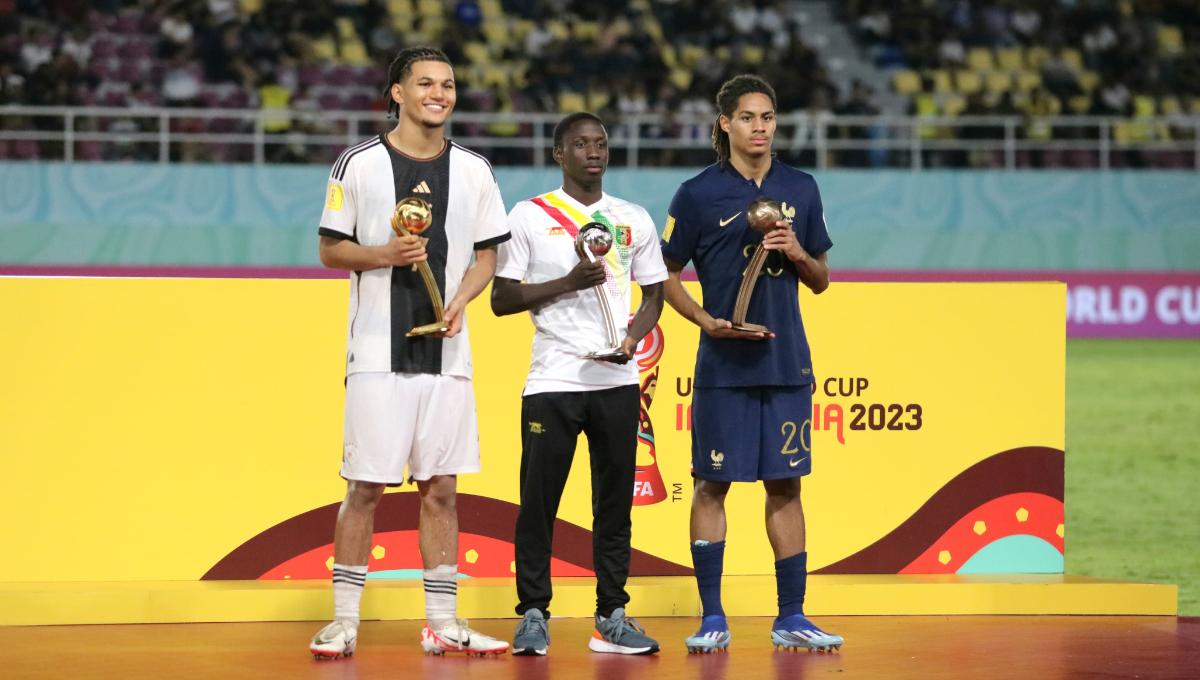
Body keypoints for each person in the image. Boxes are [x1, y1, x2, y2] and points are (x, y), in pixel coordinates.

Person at [309, 46, 511, 659]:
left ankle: (442, 622)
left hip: (448, 358)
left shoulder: (475, 170)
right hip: (375, 353)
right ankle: (345, 621)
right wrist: (383, 255)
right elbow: (329, 249)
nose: (439, 93)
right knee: (364, 488)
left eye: (447, 84)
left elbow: (486, 256)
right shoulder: (358, 163)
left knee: (442, 488)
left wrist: (461, 303)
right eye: (425, 83)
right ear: (396, 92)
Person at [659, 74, 844, 654]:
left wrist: (795, 251)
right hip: (723, 366)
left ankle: (792, 615)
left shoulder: (802, 188)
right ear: (725, 125)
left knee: (785, 487)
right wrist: (702, 319)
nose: (759, 127)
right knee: (712, 485)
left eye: (767, 117)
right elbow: (662, 272)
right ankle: (712, 617)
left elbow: (821, 281)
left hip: (786, 363)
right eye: (748, 118)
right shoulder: (695, 194)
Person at [491, 112, 667, 656]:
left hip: (616, 380)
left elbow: (654, 296)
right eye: (580, 144)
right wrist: (567, 282)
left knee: (613, 503)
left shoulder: (631, 218)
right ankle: (535, 614)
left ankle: (612, 615)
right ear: (558, 154)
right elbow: (500, 300)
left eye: (601, 143)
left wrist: (632, 339)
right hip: (553, 380)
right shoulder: (528, 216)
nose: (593, 152)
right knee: (539, 502)